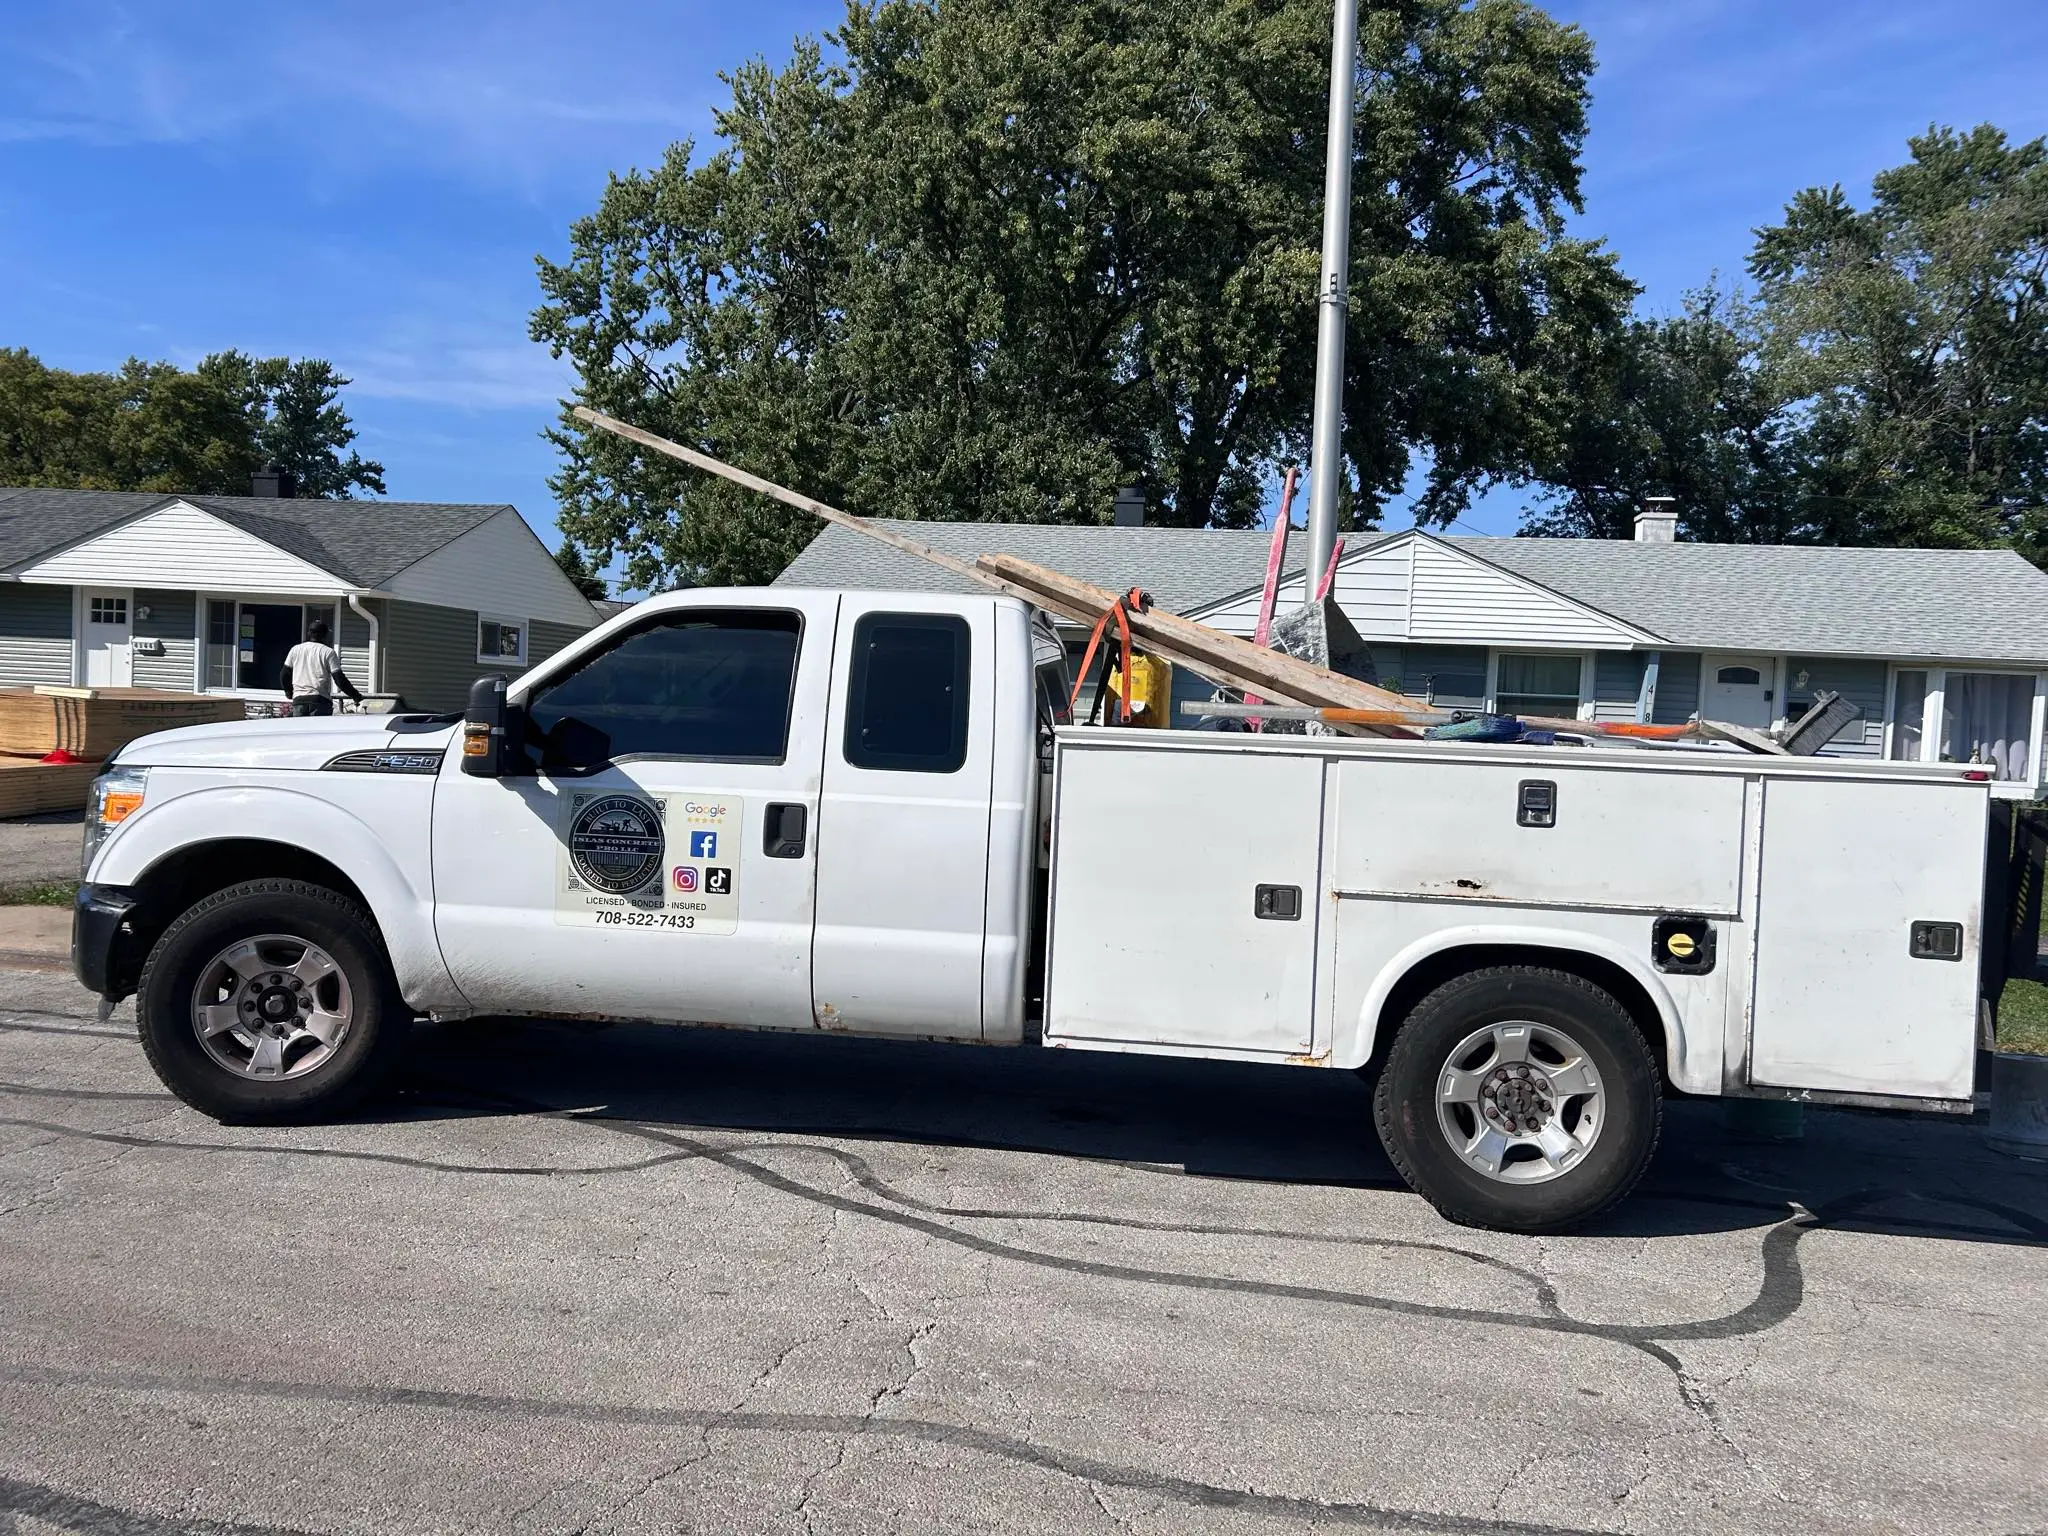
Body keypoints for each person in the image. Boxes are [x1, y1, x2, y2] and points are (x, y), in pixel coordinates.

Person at [281, 620, 364, 717]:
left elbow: (284, 674)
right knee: (319, 731)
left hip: (299, 700)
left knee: (300, 731)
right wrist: (355, 696)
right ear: (324, 635)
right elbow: (339, 679)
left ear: (309, 633)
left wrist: (288, 691)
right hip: (320, 700)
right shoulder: (328, 652)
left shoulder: (295, 649)